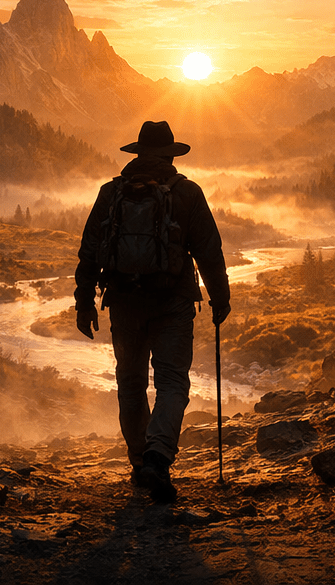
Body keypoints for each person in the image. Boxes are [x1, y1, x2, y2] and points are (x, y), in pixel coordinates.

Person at [74, 120, 230, 502]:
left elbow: (90, 250)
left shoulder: (111, 193)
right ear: (170, 154)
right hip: (172, 303)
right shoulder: (188, 193)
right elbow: (209, 251)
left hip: (123, 303)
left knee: (130, 383)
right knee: (172, 382)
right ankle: (159, 458)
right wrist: (220, 298)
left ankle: (139, 461)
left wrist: (84, 301)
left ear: (138, 153)